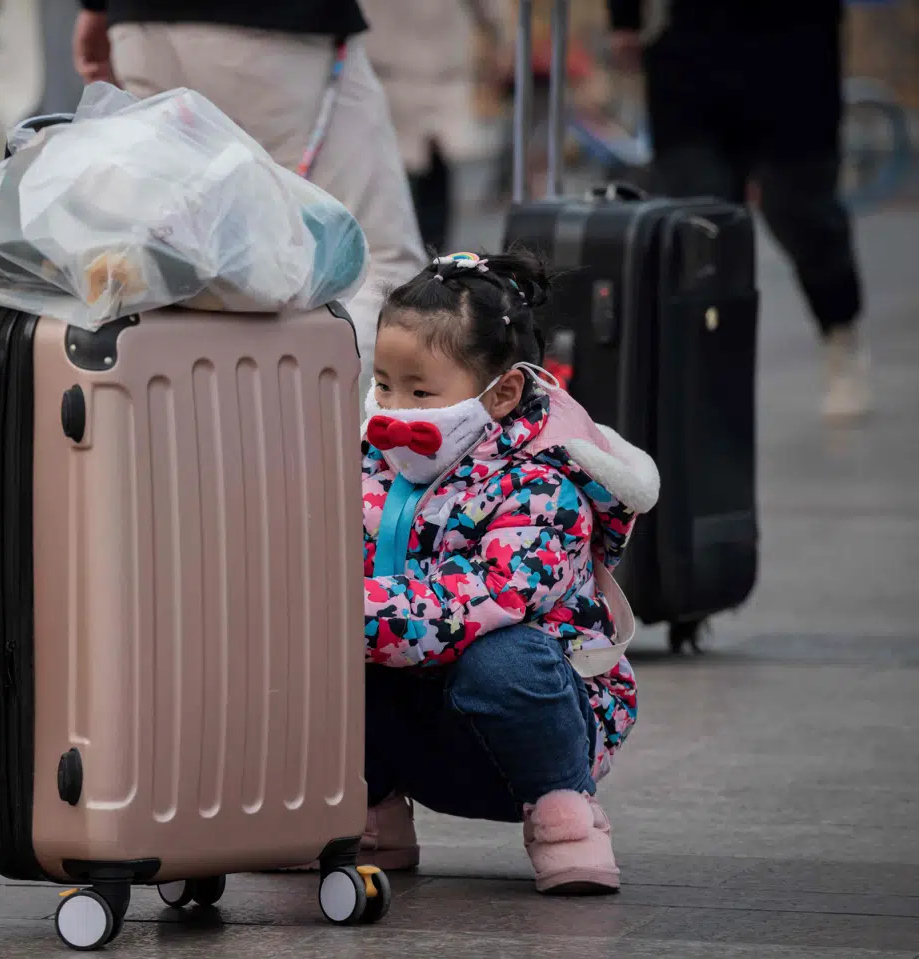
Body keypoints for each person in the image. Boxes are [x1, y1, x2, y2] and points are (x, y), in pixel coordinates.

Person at [355, 250, 657, 894]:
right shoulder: (373, 460)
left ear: (504, 392)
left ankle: (567, 818)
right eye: (383, 383)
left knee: (506, 658)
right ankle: (371, 810)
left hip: (529, 733)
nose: (394, 407)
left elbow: (483, 600)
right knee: (326, 652)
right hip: (420, 721)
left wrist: (348, 612)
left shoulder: (543, 485)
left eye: (421, 390)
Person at [72, 0, 426, 387]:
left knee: (175, 263)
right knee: (374, 263)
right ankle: (323, 428)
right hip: (278, 36)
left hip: (139, 30)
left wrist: (97, 7)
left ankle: (194, 429)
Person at [608, 0, 868, 421]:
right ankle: (708, 379)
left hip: (794, 43)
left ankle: (840, 332)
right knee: (695, 224)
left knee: (801, 211)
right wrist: (623, 18)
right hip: (690, 45)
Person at [365, 0, 507, 251]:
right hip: (422, 76)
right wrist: (502, 47)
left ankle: (413, 258)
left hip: (399, 77)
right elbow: (494, 15)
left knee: (400, 177)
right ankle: (429, 259)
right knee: (428, 180)